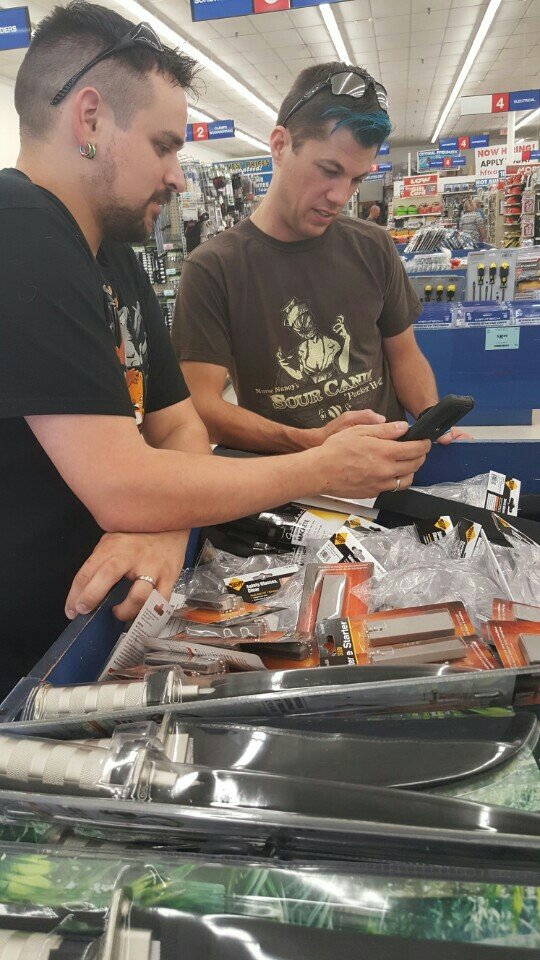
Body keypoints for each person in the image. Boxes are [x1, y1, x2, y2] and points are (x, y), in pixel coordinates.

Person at [0, 6, 430, 694]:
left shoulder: (111, 252)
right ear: (90, 119)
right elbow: (122, 484)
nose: (178, 176)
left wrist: (166, 526)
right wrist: (320, 463)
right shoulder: (19, 233)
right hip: (29, 657)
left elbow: (180, 426)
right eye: (164, 145)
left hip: (102, 624)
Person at [173, 63, 468, 455]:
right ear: (280, 145)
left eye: (356, 179)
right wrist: (312, 444)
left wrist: (430, 416)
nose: (340, 196)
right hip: (286, 480)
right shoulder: (213, 270)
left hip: (383, 469)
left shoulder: (374, 245)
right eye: (329, 170)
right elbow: (199, 405)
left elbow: (404, 356)